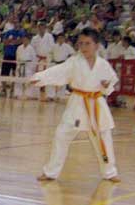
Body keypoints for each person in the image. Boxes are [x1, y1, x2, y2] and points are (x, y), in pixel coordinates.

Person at [30, 28, 120, 182]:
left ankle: (110, 172)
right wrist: (40, 77)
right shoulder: (74, 62)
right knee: (62, 135)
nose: (83, 47)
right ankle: (51, 172)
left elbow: (112, 81)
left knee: (104, 138)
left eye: (88, 44)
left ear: (96, 45)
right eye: (81, 44)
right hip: (78, 103)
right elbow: (58, 71)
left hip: (97, 104)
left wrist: (107, 84)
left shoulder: (103, 64)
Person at [49, 34, 76, 99]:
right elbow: (50, 53)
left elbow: (73, 54)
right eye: (59, 38)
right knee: (52, 79)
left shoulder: (67, 46)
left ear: (64, 39)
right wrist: (51, 59)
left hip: (63, 64)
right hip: (55, 64)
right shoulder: (54, 46)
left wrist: (69, 61)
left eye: (62, 38)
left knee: (62, 81)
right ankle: (50, 95)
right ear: (57, 39)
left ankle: (60, 96)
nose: (60, 39)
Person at [13, 34, 37, 99]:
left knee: (29, 80)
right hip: (20, 65)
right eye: (24, 39)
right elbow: (17, 57)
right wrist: (18, 65)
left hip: (28, 66)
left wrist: (32, 68)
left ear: (29, 41)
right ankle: (17, 93)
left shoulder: (31, 48)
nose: (25, 41)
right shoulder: (19, 47)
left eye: (26, 40)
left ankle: (29, 94)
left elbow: (34, 59)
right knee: (18, 80)